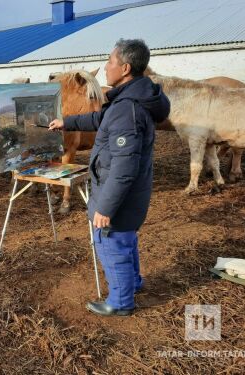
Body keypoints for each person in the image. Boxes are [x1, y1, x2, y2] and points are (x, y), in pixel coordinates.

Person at [49, 39, 170, 316]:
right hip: (133, 193)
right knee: (125, 240)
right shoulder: (133, 98)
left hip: (119, 195)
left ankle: (120, 302)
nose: (106, 67)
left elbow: (124, 167)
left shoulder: (128, 110)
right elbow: (100, 121)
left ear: (125, 68)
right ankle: (133, 283)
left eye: (110, 61)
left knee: (110, 242)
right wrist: (66, 122)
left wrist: (105, 207)